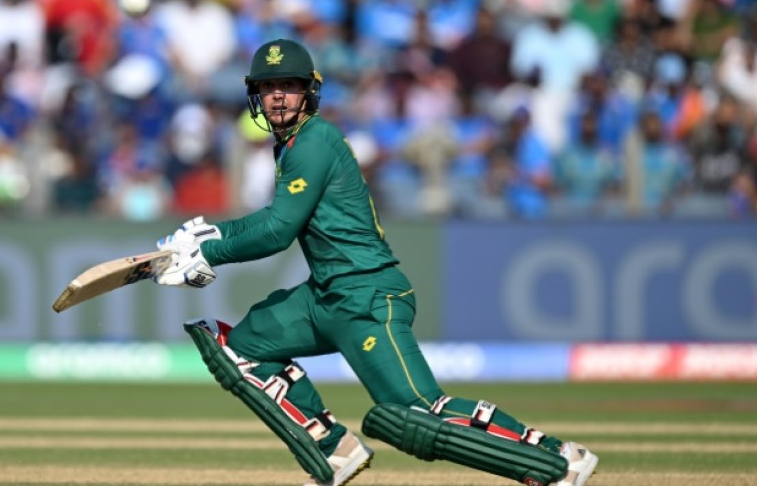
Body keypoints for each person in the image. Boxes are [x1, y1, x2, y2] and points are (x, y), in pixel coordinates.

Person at [152, 38, 598, 486]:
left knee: (414, 414)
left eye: (289, 85)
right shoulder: (290, 145)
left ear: (310, 91)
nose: (278, 96)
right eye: (269, 87)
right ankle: (331, 450)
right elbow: (273, 216)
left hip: (368, 294)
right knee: (241, 347)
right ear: (255, 94)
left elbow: (277, 231)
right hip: (325, 296)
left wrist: (208, 251)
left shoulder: (315, 139)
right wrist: (210, 232)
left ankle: (556, 457)